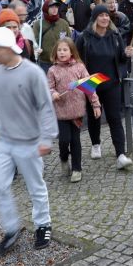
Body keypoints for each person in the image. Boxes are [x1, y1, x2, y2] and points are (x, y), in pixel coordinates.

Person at [0, 26, 59, 255]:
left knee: (35, 186)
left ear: (7, 48)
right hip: (3, 140)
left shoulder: (32, 72)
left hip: (29, 141)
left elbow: (45, 107)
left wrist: (47, 138)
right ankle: (11, 228)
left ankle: (43, 224)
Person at [75, 5, 133, 169]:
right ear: (95, 18)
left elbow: (121, 58)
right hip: (91, 82)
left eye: (107, 15)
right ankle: (95, 144)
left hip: (111, 82)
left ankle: (120, 154)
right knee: (94, 116)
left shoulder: (115, 36)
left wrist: (126, 54)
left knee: (114, 117)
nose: (105, 18)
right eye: (101, 15)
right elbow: (77, 58)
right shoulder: (84, 37)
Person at [48, 37, 100, 183]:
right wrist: (53, 93)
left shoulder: (80, 68)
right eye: (59, 50)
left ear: (71, 52)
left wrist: (95, 104)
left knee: (75, 140)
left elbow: (90, 87)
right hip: (61, 112)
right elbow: (49, 87)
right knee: (64, 140)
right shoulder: (52, 70)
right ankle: (64, 158)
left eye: (65, 50)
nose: (62, 52)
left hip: (77, 111)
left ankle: (77, 169)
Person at [35, 0, 71, 70]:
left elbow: (69, 42)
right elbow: (34, 42)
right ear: (46, 8)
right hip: (44, 62)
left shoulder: (64, 23)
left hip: (61, 62)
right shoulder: (39, 24)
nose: (55, 9)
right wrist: (36, 49)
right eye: (51, 7)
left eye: (56, 7)